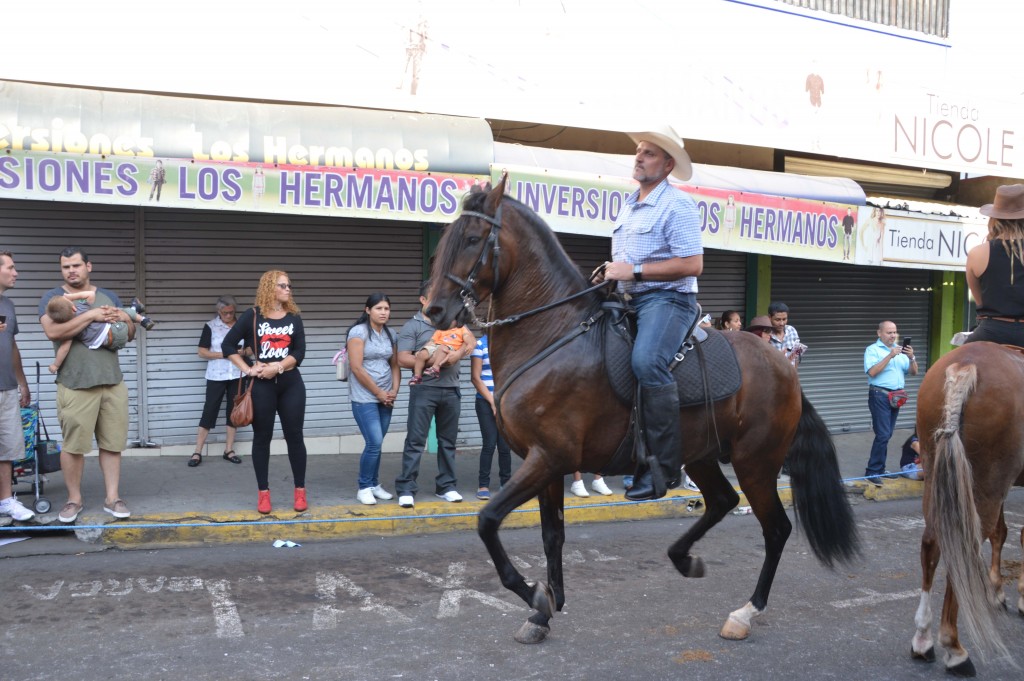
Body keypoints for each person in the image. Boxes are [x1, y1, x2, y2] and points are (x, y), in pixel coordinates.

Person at [601, 128, 703, 501]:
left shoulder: (677, 205)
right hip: (630, 299)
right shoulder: (629, 204)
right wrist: (614, 273)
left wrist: (636, 271)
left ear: (668, 165)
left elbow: (693, 264)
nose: (639, 157)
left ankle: (661, 468)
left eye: (649, 154)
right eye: (639, 152)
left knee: (646, 362)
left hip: (668, 301)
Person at [39, 247, 136, 522]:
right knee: (73, 446)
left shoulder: (108, 296)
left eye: (76, 265)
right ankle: (74, 500)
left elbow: (127, 334)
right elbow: (54, 331)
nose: (71, 271)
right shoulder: (52, 298)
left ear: (88, 266)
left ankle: (112, 498)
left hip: (112, 382)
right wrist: (91, 316)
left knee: (112, 444)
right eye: (66, 267)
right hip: (75, 384)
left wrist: (127, 320)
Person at [222, 270, 309, 514]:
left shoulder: (294, 317)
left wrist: (278, 367)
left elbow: (300, 352)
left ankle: (300, 491)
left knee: (295, 437)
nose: (288, 289)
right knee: (262, 438)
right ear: (270, 287)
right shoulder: (252, 316)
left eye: (289, 285)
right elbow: (228, 345)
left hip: (290, 383)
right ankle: (263, 494)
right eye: (283, 285)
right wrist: (248, 369)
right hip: (261, 386)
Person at [394, 280, 475, 508]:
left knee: (448, 442)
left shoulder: (453, 321)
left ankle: (447, 486)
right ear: (423, 300)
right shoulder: (414, 326)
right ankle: (407, 488)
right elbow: (402, 358)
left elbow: (470, 343)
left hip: (451, 390)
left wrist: (457, 354)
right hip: (424, 390)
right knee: (415, 441)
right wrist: (432, 360)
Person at [347, 292, 400, 505]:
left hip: (386, 396)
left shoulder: (391, 334)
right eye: (379, 308)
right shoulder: (358, 332)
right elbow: (357, 368)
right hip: (364, 397)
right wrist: (378, 392)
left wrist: (394, 390)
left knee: (377, 443)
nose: (383, 312)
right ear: (368, 310)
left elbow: (395, 364)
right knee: (374, 442)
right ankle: (363, 487)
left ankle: (374, 484)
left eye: (386, 309)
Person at [188, 295, 249, 468]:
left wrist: (242, 353)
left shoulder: (242, 326)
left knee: (234, 412)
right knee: (209, 411)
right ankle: (197, 451)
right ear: (219, 311)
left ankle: (229, 450)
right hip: (216, 375)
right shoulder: (211, 326)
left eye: (231, 312)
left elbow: (251, 349)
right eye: (225, 313)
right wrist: (227, 353)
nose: (229, 315)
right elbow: (202, 352)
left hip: (238, 374)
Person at [964, 183, 1024, 346]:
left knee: (952, 363)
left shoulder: (977, 253)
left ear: (994, 217)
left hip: (990, 330)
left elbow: (980, 301)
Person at [0, 250, 34, 521]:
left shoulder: (8, 305)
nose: (16, 272)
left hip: (7, 388)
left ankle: (5, 501)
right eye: (10, 267)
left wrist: (22, 383)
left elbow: (11, 345)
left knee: (8, 447)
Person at [45, 290, 154, 375]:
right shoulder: (81, 307)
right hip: (116, 330)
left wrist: (55, 365)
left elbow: (63, 349)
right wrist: (71, 297)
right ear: (73, 307)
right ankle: (143, 319)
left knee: (119, 313)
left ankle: (135, 309)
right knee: (119, 311)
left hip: (112, 344)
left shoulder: (69, 330)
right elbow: (91, 294)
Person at [863, 320, 918, 486]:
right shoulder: (872, 350)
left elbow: (914, 372)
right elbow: (872, 372)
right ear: (879, 333)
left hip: (896, 397)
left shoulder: (901, 351)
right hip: (879, 395)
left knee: (887, 434)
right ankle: (872, 471)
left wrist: (911, 357)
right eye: (889, 332)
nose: (893, 335)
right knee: (883, 434)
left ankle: (880, 469)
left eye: (895, 332)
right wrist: (889, 355)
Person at [470, 334, 512, 500]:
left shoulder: (508, 342)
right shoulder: (480, 344)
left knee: (505, 446)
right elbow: (475, 377)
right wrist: (493, 402)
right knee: (489, 443)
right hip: (485, 402)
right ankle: (483, 485)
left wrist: (504, 401)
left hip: (505, 402)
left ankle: (506, 484)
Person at [767, 301, 803, 365]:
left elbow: (796, 357)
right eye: (777, 320)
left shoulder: (792, 330)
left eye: (784, 319)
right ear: (769, 317)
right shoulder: (765, 335)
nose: (782, 323)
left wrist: (794, 373)